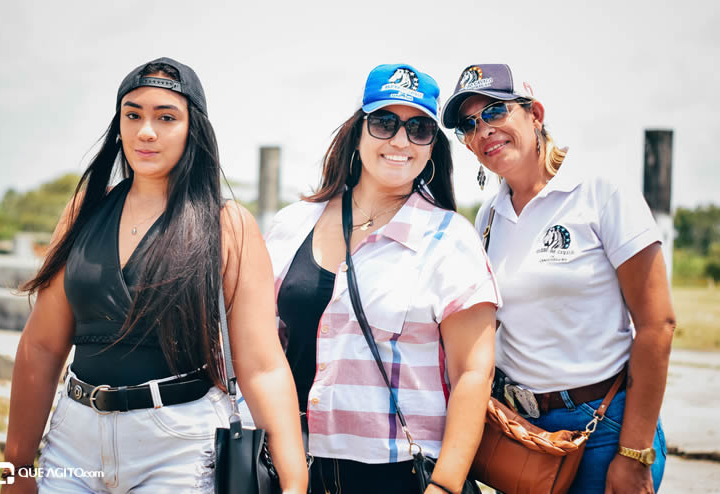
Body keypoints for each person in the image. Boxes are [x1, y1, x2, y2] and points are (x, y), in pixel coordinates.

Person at [2, 57, 308, 493]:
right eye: (133, 115)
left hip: (177, 449)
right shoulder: (83, 213)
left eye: (166, 117)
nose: (146, 131)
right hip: (73, 442)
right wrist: (17, 467)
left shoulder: (227, 225)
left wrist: (294, 482)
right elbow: (42, 345)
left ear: (192, 129)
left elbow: (261, 366)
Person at [265, 63, 499, 494]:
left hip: (399, 473)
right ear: (358, 133)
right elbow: (262, 351)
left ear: (432, 147)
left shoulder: (450, 239)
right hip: (293, 467)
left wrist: (445, 486)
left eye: (418, 129)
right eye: (384, 123)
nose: (400, 141)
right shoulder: (292, 224)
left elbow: (473, 373)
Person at [441, 64, 674, 494]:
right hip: (526, 433)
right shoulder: (489, 216)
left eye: (495, 111)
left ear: (535, 114)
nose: (483, 130)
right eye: (468, 125)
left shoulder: (600, 191)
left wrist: (635, 452)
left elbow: (657, 324)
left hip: (603, 425)